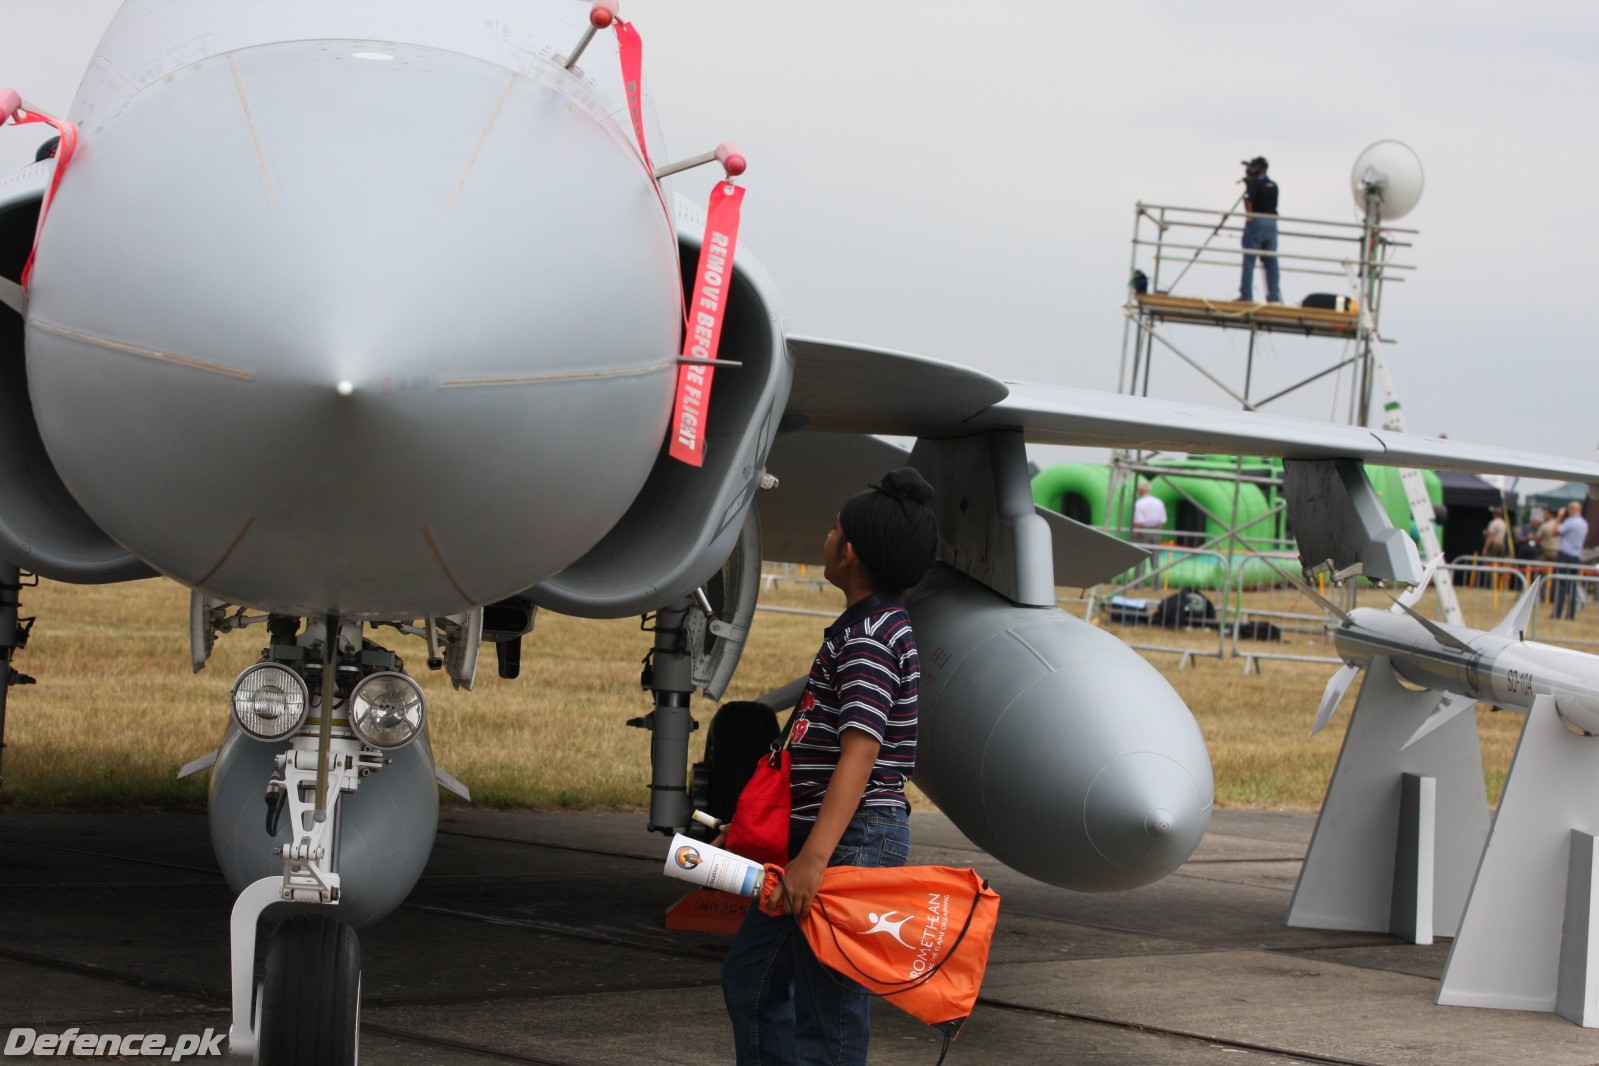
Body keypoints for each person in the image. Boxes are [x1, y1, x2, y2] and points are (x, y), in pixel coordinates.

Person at [722, 466, 939, 1066]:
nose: (826, 536)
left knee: (831, 1009)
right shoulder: (864, 629)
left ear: (849, 553)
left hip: (853, 841)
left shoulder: (870, 638)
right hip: (822, 837)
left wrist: (813, 862)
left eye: (832, 528)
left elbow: (861, 752)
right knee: (751, 982)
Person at [1238, 156, 1282, 304]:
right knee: (1271, 262)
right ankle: (1274, 298)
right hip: (1272, 225)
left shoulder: (1255, 184)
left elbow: (1248, 200)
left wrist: (1249, 217)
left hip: (1257, 223)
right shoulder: (1273, 185)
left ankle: (1246, 296)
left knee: (1249, 260)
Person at [1552, 501, 1589, 621]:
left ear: (1571, 510)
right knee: (1572, 586)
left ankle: (1557, 613)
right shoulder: (1584, 523)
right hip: (1576, 557)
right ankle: (1571, 614)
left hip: (1565, 556)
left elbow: (1555, 532)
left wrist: (1559, 517)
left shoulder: (1570, 522)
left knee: (1561, 585)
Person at [1132, 481, 1167, 547]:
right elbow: (1162, 520)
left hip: (1143, 531)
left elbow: (1138, 522)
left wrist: (1134, 535)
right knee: (1155, 554)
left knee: (1141, 552)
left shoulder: (1139, 503)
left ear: (1140, 491)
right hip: (1156, 531)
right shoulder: (1159, 502)